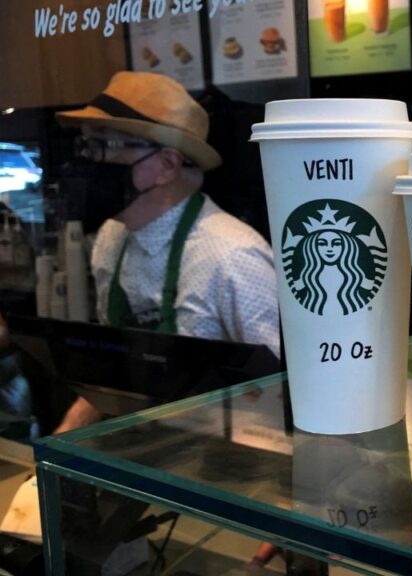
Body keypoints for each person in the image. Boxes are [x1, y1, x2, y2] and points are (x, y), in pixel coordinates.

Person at [52, 71, 280, 433]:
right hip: (143, 448)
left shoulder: (233, 257)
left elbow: (275, 396)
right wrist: (60, 444)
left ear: (167, 165)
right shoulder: (112, 239)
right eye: (85, 146)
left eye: (104, 146)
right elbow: (116, 373)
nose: (87, 162)